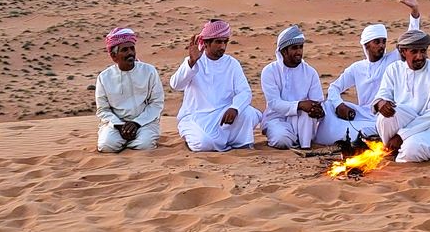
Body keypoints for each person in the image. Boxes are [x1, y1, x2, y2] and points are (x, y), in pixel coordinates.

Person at [314, 0, 421, 145]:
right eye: (377, 42)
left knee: (370, 129)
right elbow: (334, 88)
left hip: (385, 114)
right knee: (328, 105)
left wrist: (414, 11)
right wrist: (339, 106)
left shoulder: (393, 59)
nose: (382, 45)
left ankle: (366, 136)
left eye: (383, 41)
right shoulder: (357, 68)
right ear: (366, 45)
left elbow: (411, 39)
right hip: (362, 114)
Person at [169, 19, 262, 151]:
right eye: (218, 42)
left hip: (223, 115)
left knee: (248, 113)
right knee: (204, 144)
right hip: (196, 117)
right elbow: (175, 85)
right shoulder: (194, 62)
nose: (222, 46)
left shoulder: (232, 63)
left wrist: (235, 108)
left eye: (225, 42)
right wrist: (191, 62)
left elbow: (244, 92)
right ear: (206, 43)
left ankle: (237, 143)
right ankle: (211, 140)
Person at [372, 29, 430, 163]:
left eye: (423, 51)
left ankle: (398, 157)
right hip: (406, 121)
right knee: (385, 116)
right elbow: (383, 94)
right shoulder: (394, 69)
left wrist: (401, 136)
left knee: (412, 148)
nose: (420, 56)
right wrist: (381, 104)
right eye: (414, 52)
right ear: (403, 52)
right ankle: (391, 150)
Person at [95, 27, 164, 152]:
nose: (130, 53)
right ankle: (125, 141)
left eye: (132, 48)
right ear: (114, 56)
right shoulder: (104, 78)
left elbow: (156, 103)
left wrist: (137, 123)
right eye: (125, 50)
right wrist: (119, 125)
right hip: (116, 124)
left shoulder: (149, 71)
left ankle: (128, 143)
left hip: (145, 122)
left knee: (145, 145)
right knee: (106, 146)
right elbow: (102, 109)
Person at [260, 24, 325, 150]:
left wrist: (317, 110)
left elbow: (317, 101)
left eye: (301, 47)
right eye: (294, 48)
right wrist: (299, 105)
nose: (299, 52)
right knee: (282, 140)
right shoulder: (270, 71)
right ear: (284, 51)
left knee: (309, 115)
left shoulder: (310, 72)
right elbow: (274, 103)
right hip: (277, 118)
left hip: (303, 120)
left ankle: (305, 146)